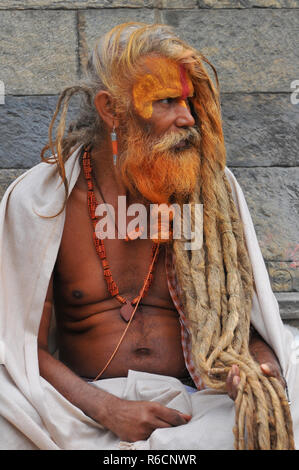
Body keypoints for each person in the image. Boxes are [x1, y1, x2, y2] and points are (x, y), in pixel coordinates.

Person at [0, 22, 298, 450]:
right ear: (111, 109)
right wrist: (105, 408)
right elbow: (17, 345)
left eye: (188, 102)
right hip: (75, 404)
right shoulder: (41, 201)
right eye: (166, 102)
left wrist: (256, 370)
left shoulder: (212, 190)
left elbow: (247, 326)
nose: (187, 118)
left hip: (198, 401)